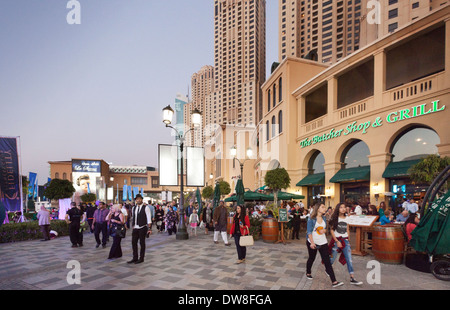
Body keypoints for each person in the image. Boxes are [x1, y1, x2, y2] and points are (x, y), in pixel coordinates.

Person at [306, 203, 343, 288]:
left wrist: (324, 230)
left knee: (327, 260)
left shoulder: (323, 218)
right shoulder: (311, 219)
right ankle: (308, 272)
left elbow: (325, 228)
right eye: (322, 207)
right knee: (312, 258)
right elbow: (309, 232)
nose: (324, 208)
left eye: (324, 207)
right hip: (313, 242)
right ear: (317, 209)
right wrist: (312, 243)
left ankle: (334, 281)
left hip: (323, 242)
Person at [329, 203, 363, 286]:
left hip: (345, 240)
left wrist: (348, 239)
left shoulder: (347, 218)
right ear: (338, 209)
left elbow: (347, 229)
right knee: (332, 259)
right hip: (337, 240)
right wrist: (337, 241)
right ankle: (328, 269)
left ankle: (352, 278)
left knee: (349, 259)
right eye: (341, 207)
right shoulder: (335, 218)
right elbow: (332, 230)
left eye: (344, 207)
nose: (343, 209)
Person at [128, 194, 152, 264]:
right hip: (135, 227)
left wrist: (149, 228)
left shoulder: (146, 208)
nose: (138, 200)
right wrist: (133, 225)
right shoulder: (134, 208)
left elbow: (149, 218)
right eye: (137, 199)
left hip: (142, 227)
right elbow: (134, 217)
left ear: (142, 199)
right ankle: (135, 257)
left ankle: (141, 258)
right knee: (134, 243)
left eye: (139, 199)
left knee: (142, 243)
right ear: (135, 200)